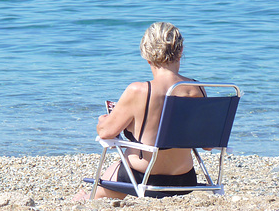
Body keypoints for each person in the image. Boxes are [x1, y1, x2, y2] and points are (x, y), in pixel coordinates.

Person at [75, 22, 206, 201]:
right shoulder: (196, 89)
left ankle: (89, 197)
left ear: (147, 56)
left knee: (115, 168)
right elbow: (207, 144)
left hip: (143, 177)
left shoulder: (138, 91)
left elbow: (106, 133)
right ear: (180, 52)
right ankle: (94, 194)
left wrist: (103, 120)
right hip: (185, 179)